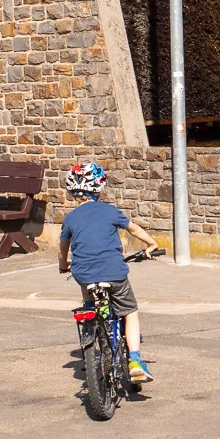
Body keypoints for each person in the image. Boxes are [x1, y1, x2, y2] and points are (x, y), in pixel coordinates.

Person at [59, 160, 162, 383]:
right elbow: (134, 229)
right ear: (99, 187)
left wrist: (63, 265)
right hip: (113, 271)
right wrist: (151, 244)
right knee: (130, 311)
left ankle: (90, 311)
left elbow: (63, 248)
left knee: (86, 289)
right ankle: (135, 360)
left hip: (83, 273)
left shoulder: (70, 219)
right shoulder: (110, 211)